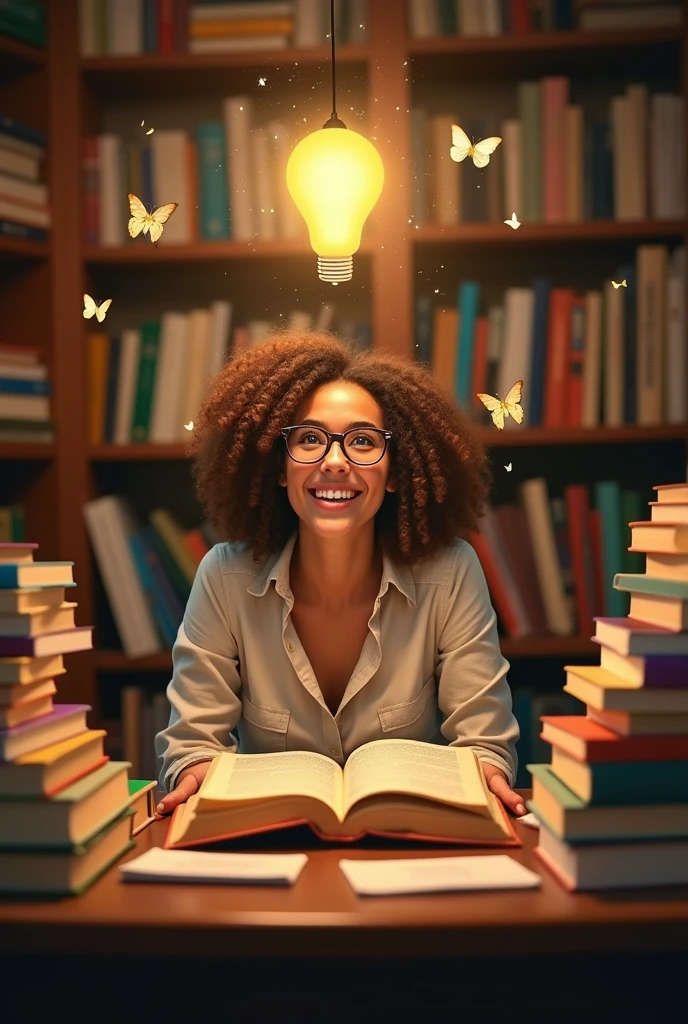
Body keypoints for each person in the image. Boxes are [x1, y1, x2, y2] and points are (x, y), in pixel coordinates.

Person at [155, 329, 526, 819]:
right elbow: (194, 741)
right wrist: (195, 770)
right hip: (269, 846)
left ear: (396, 472)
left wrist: (487, 771)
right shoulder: (223, 576)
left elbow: (483, 739)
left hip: (406, 848)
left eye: (363, 442)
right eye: (309, 439)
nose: (334, 462)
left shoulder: (452, 572)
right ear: (279, 467)